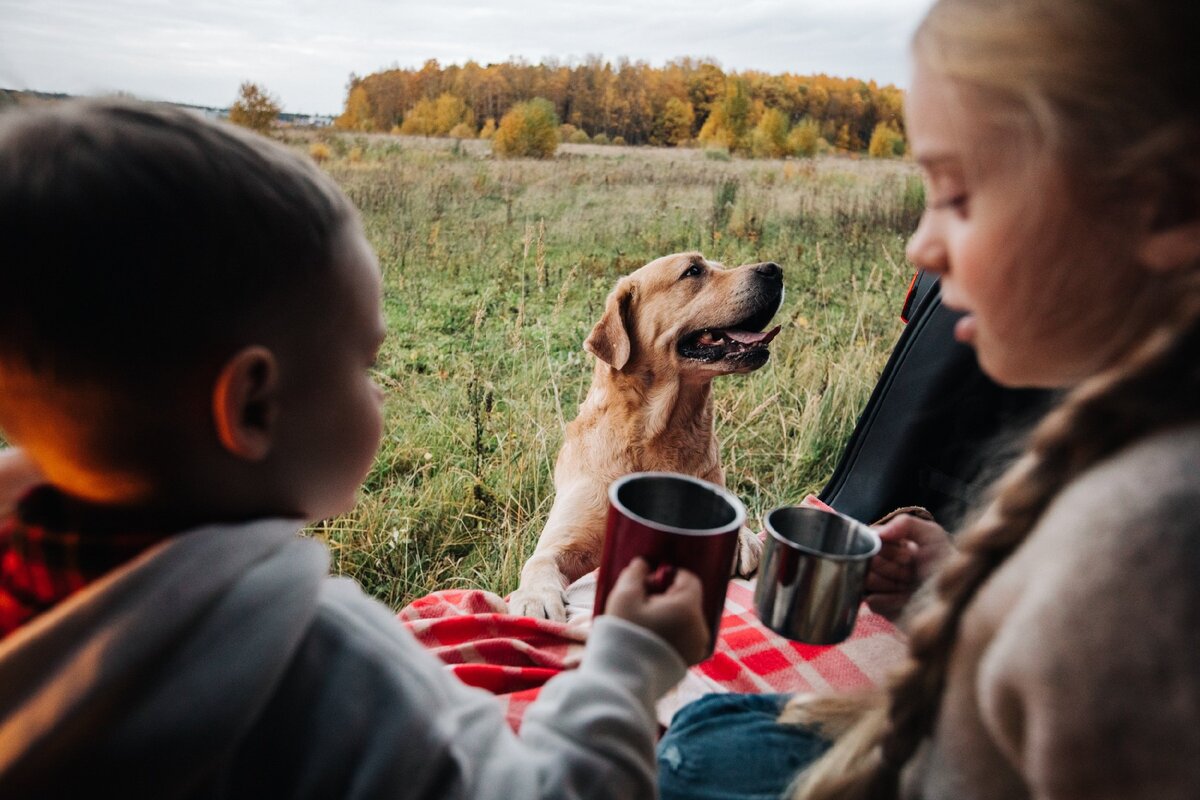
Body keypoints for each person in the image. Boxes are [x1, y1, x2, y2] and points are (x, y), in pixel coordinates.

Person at [0, 98, 712, 798]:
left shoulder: (28, 593)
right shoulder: (321, 663)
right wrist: (629, 663)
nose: (381, 395)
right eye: (364, 365)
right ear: (252, 407)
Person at [657, 0, 1200, 797]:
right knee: (706, 737)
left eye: (958, 195)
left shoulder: (1138, 546)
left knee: (690, 752)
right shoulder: (1139, 456)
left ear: (1157, 205)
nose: (920, 247)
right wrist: (954, 580)